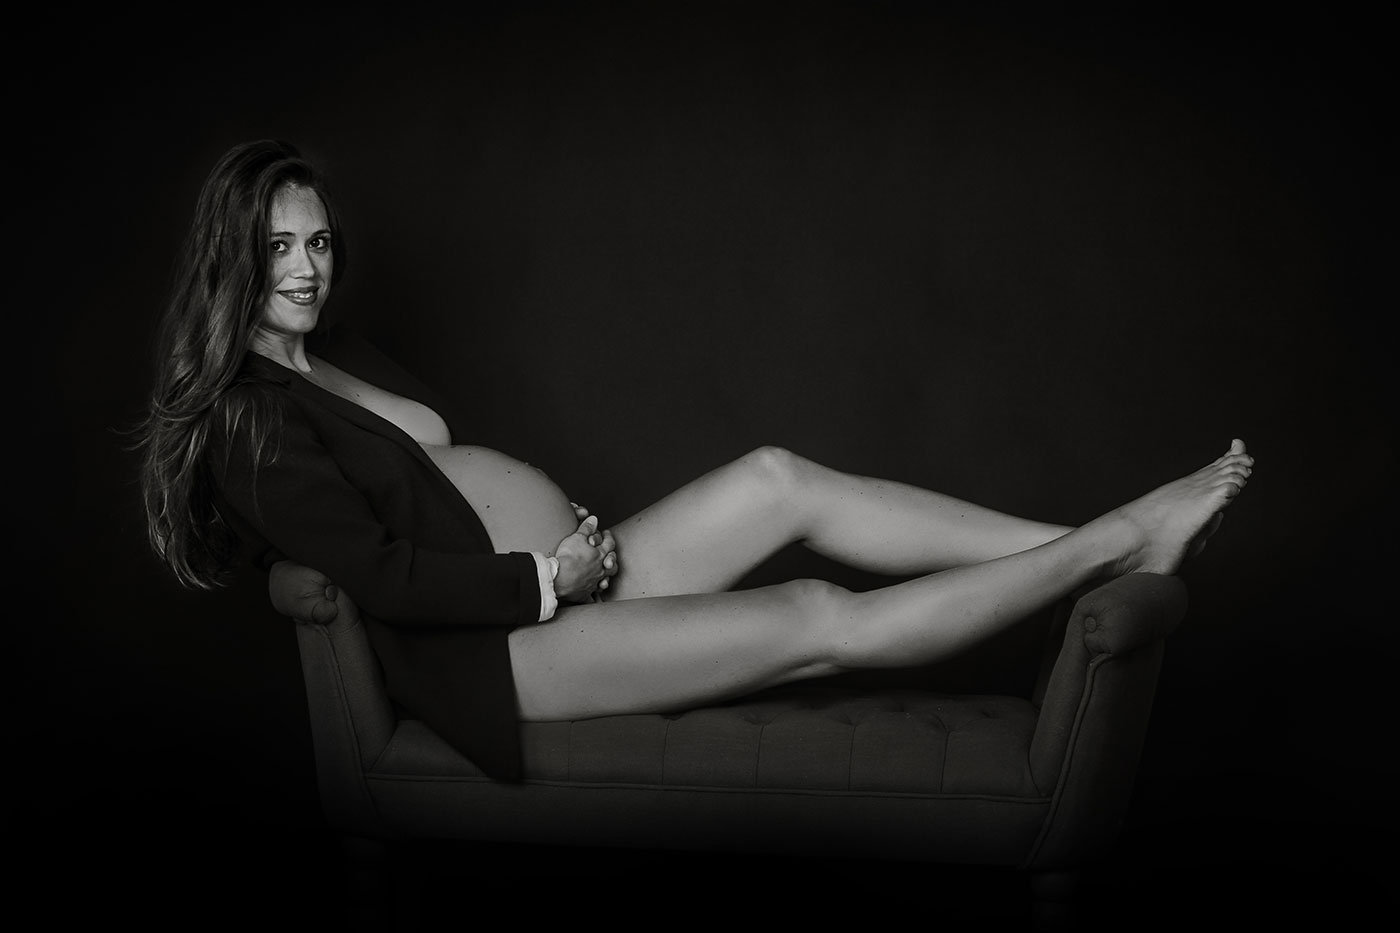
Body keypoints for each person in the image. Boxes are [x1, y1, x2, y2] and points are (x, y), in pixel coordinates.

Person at [137, 140, 1253, 781]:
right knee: (815, 614)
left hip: (563, 588)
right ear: (232, 253)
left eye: (317, 241)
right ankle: (1118, 542)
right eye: (277, 246)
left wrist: (551, 542)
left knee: (777, 476)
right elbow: (384, 576)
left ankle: (1091, 545)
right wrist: (545, 577)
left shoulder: (334, 353)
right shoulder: (247, 420)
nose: (306, 267)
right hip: (498, 655)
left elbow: (433, 486)